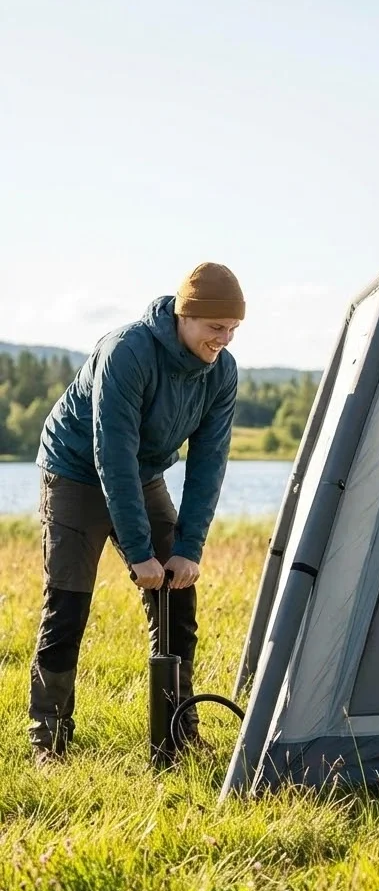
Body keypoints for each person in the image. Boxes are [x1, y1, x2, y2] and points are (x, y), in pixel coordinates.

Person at [30, 262, 244, 764]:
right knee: (68, 604)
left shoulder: (221, 372)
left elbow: (209, 464)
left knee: (178, 594)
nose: (225, 339)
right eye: (216, 328)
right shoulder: (128, 351)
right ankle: (50, 741)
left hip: (143, 473)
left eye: (234, 329)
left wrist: (187, 550)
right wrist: (141, 553)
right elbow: (113, 455)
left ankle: (178, 728)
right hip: (76, 470)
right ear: (184, 317)